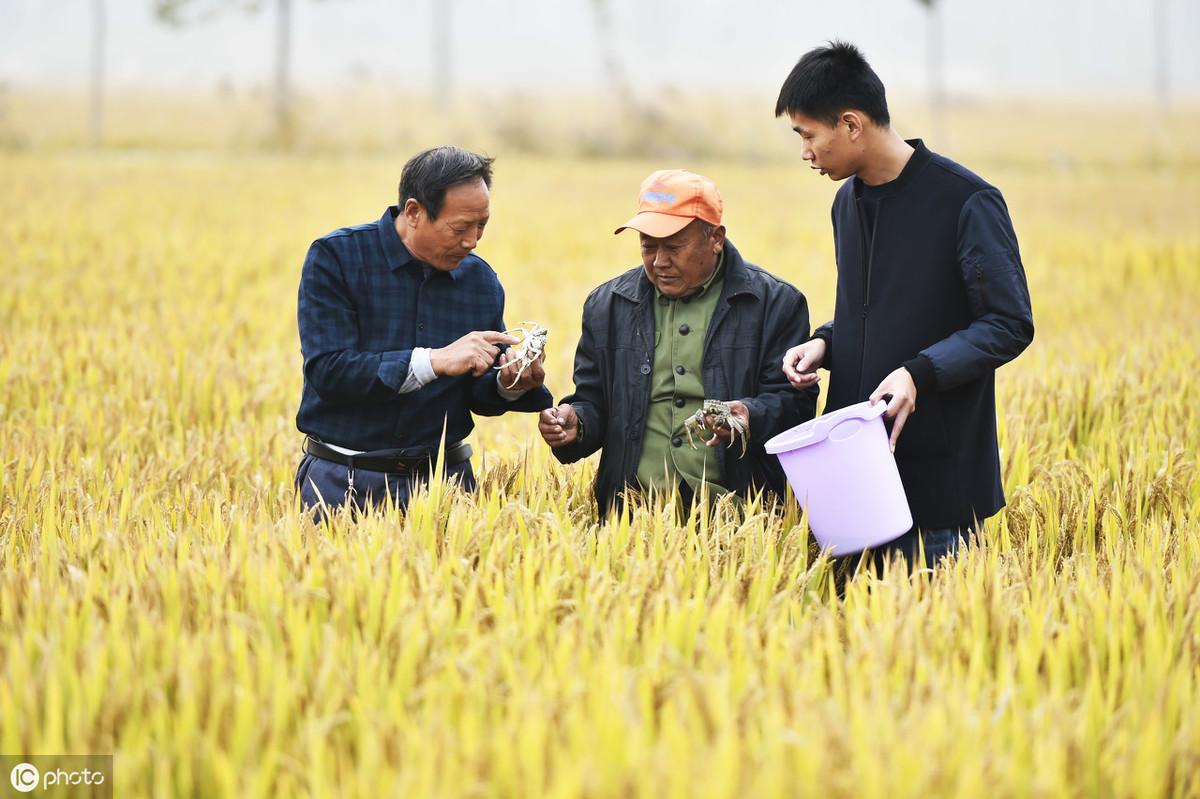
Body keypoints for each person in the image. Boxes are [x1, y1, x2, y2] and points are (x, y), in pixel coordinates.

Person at [775, 42, 1035, 570]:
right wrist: (825, 341)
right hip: (852, 480)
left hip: (938, 493)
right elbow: (873, 311)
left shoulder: (965, 201)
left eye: (807, 135)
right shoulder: (846, 203)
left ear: (851, 125)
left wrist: (920, 373)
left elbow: (1009, 323)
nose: (805, 152)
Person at [540, 169, 818, 512]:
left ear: (715, 238)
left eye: (673, 247)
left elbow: (795, 405)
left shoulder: (775, 304)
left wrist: (748, 415)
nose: (659, 262)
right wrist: (576, 423)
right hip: (633, 511)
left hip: (739, 512)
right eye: (647, 247)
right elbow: (596, 400)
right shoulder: (607, 305)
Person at [295, 145, 552, 515]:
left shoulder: (479, 279)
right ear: (414, 212)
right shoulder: (337, 259)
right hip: (345, 482)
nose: (473, 240)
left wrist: (509, 383)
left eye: (482, 225)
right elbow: (330, 371)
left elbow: (479, 391)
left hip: (446, 486)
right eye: (460, 227)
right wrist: (433, 361)